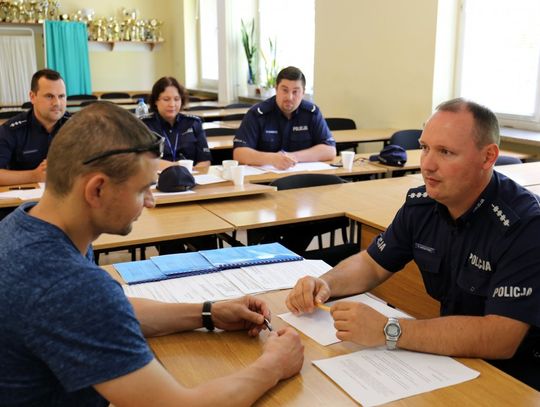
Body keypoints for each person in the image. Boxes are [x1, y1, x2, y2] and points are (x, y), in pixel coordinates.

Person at [0, 102, 304, 406]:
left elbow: (110, 312)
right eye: (143, 189)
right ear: (97, 190)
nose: (150, 202)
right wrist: (274, 365)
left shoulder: (26, 223)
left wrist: (209, 312)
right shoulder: (70, 286)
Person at [286, 98, 540, 390]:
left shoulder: (524, 225)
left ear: (488, 157)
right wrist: (325, 283)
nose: (427, 165)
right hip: (455, 361)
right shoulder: (423, 205)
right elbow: (372, 263)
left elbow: (501, 337)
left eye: (445, 152)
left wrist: (389, 330)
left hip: (518, 377)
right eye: (425, 148)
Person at [233, 66, 336, 170]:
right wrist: (272, 159)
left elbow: (330, 150)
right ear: (276, 88)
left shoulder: (312, 113)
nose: (289, 97)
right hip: (266, 180)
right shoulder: (257, 114)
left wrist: (292, 157)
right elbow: (239, 153)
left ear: (303, 92)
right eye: (285, 90)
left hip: (302, 178)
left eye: (295, 92)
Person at [0, 68, 70, 186]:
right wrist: (35, 175)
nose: (57, 103)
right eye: (49, 96)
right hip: (23, 202)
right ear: (32, 97)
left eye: (61, 96)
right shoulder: (11, 130)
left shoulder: (76, 126)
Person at [142, 76, 211, 170]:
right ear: (155, 101)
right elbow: (144, 161)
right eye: (166, 99)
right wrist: (178, 167)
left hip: (191, 179)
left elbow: (204, 160)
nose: (172, 104)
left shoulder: (194, 123)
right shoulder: (143, 125)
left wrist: (191, 175)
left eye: (177, 99)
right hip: (158, 179)